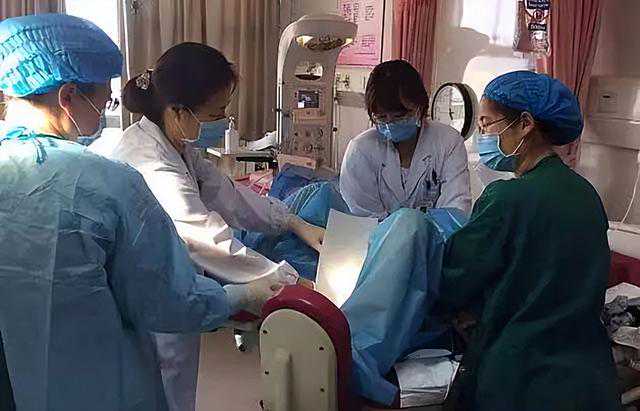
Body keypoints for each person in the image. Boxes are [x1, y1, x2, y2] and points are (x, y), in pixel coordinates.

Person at [0, 13, 284, 411]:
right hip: (94, 384)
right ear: (68, 97)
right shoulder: (109, 184)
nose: (106, 108)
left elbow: (225, 194)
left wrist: (288, 220)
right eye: (105, 99)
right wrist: (240, 295)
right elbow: (167, 299)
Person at [94, 42, 324, 411]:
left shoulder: (177, 145)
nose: (224, 121)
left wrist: (292, 221)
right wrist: (290, 282)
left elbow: (228, 195)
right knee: (162, 382)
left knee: (176, 380)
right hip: (150, 291)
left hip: (172, 284)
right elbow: (204, 238)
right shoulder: (151, 162)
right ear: (178, 111)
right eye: (216, 112)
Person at [440, 71, 621, 410]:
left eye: (487, 124)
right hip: (588, 377)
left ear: (525, 124)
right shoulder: (587, 195)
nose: (482, 135)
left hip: (521, 376)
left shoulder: (506, 199)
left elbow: (456, 280)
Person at [339, 60, 471, 220]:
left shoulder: (448, 142)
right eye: (381, 117)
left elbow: (455, 210)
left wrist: (420, 229)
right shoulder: (361, 150)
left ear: (419, 108)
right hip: (375, 236)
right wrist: (396, 231)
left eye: (399, 116)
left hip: (435, 236)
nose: (390, 124)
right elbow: (361, 218)